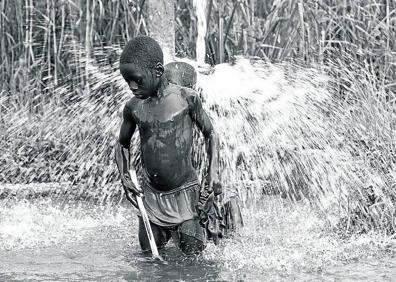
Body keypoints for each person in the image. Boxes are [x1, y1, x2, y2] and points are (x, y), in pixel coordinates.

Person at [115, 36, 221, 255]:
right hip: (151, 197)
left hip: (184, 193)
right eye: (128, 82)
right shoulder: (134, 107)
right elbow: (121, 145)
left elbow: (211, 134)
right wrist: (125, 177)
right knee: (148, 258)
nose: (132, 87)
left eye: (137, 80)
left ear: (158, 70)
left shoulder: (186, 99)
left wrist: (212, 174)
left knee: (194, 256)